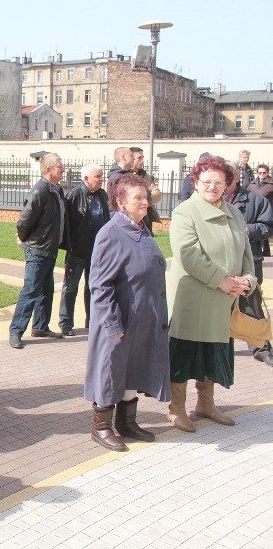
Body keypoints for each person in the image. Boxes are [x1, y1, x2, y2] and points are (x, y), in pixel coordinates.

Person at [167, 155, 255, 433]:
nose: (212, 187)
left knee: (212, 354)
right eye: (206, 181)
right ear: (195, 181)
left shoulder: (234, 213)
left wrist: (247, 280)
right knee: (184, 355)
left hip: (223, 301)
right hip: (193, 301)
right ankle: (176, 408)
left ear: (228, 184)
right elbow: (188, 255)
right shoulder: (185, 212)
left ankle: (206, 403)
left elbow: (246, 253)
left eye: (219, 182)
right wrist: (223, 281)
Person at [84, 173, 171, 451]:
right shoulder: (111, 233)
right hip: (118, 320)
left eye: (146, 197)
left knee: (133, 368)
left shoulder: (142, 228)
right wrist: (111, 324)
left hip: (142, 318)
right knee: (111, 371)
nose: (146, 202)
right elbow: (99, 284)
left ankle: (126, 423)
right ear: (121, 202)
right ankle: (101, 428)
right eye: (139, 198)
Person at [8, 153, 68, 349]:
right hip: (38, 250)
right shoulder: (40, 191)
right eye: (60, 166)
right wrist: (24, 240)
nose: (63, 169)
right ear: (48, 169)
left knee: (46, 290)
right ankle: (16, 331)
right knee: (31, 290)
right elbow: (24, 222)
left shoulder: (56, 190)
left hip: (50, 249)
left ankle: (40, 326)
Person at [223, 173, 273, 362]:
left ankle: (261, 348)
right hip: (221, 265)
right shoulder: (211, 199)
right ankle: (220, 349)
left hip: (248, 261)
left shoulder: (255, 199)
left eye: (227, 177)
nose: (223, 182)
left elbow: (268, 225)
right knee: (220, 309)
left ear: (236, 177)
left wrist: (248, 230)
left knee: (251, 305)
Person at [58, 163, 109, 336]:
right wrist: (70, 245)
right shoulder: (74, 195)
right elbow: (66, 224)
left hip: (97, 252)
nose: (101, 179)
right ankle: (66, 322)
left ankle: (92, 320)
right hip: (77, 250)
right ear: (86, 178)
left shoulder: (102, 195)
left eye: (102, 176)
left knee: (93, 287)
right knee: (70, 287)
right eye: (98, 176)